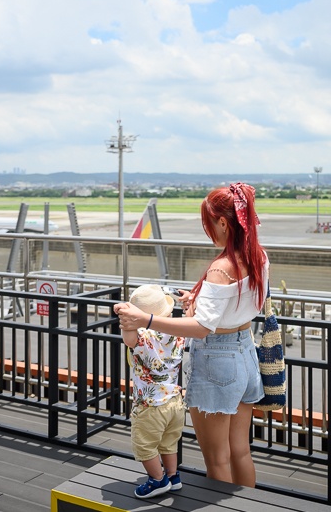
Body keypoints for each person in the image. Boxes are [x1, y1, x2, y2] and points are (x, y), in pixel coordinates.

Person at [114, 182, 267, 487]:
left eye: (208, 223)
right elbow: (239, 305)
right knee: (240, 452)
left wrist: (146, 318)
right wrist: (198, 301)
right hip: (245, 353)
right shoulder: (257, 256)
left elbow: (202, 327)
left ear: (223, 222)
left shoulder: (220, 269)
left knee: (217, 457)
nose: (207, 230)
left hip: (218, 361)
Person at [120, 284, 186, 498]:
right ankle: (173, 476)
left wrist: (125, 322)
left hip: (150, 404)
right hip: (175, 400)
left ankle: (158, 480)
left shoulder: (143, 338)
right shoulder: (177, 332)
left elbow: (129, 340)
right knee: (169, 442)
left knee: (144, 445)